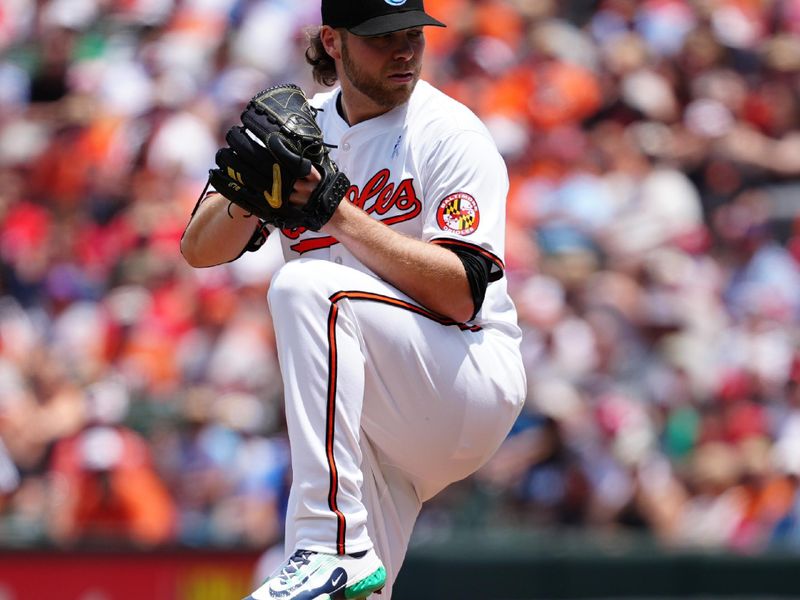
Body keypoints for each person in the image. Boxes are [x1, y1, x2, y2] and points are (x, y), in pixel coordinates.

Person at [180, 0, 526, 597]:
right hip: (373, 417)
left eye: (414, 33)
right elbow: (198, 249)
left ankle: (329, 543)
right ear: (332, 42)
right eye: (381, 36)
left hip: (463, 374)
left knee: (306, 285)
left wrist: (335, 213)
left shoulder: (449, 133)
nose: (405, 50)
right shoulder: (303, 131)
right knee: (342, 596)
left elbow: (464, 294)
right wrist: (248, 196)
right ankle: (337, 555)